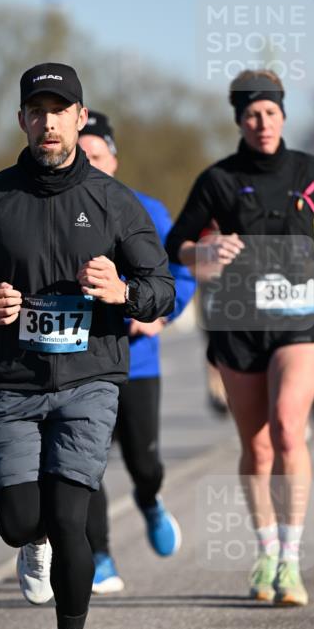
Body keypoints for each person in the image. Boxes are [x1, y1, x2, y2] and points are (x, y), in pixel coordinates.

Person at [0, 63, 175, 629]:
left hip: (90, 378)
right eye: (36, 110)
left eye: (59, 108)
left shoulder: (114, 201)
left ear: (79, 116)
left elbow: (162, 290)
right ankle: (29, 540)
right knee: (20, 520)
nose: (48, 121)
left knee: (75, 517)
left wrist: (123, 291)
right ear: (22, 120)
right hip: (13, 383)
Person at [166, 70, 314, 608]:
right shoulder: (218, 180)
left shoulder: (312, 170)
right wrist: (205, 254)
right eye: (251, 114)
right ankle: (266, 550)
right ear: (239, 120)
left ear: (283, 115)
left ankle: (291, 560)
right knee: (257, 444)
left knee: (290, 429)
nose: (262, 122)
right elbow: (178, 243)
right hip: (240, 321)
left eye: (270, 112)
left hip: (300, 319)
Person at [77, 110, 195, 593]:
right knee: (86, 464)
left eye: (96, 156)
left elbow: (179, 275)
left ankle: (149, 500)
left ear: (114, 159)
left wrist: (159, 315)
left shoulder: (146, 209)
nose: (88, 163)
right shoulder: (57, 208)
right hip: (80, 361)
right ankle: (101, 554)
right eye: (80, 155)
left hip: (137, 362)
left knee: (144, 464)